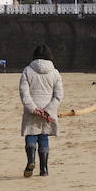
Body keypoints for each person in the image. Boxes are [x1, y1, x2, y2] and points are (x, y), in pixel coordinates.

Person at [19, 44, 63, 177]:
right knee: (43, 137)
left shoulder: (27, 70)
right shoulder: (55, 72)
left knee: (31, 135)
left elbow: (24, 94)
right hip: (48, 111)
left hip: (32, 110)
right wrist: (48, 111)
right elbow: (58, 95)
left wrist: (33, 109)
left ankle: (31, 160)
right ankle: (44, 168)